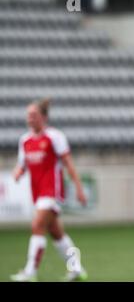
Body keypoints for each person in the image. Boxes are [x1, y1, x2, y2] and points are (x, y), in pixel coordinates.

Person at [10, 99, 88, 282]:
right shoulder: (25, 140)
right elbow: (22, 165)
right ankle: (77, 270)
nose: (30, 119)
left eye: (33, 115)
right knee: (57, 234)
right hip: (38, 194)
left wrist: (79, 188)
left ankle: (30, 273)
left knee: (37, 225)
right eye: (28, 115)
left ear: (43, 117)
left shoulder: (54, 137)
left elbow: (68, 163)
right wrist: (17, 172)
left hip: (53, 191)